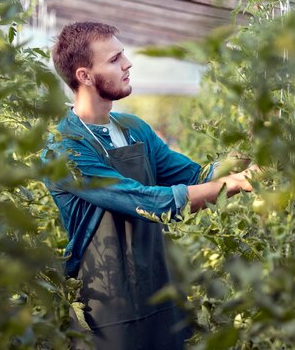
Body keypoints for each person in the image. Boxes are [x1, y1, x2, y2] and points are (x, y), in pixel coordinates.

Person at [41, 22, 257, 350]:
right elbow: (149, 202)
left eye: (123, 54)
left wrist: (244, 158)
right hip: (107, 307)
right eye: (114, 59)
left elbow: (196, 176)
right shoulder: (64, 149)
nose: (128, 63)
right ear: (84, 76)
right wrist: (230, 186)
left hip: (160, 292)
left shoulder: (134, 128)